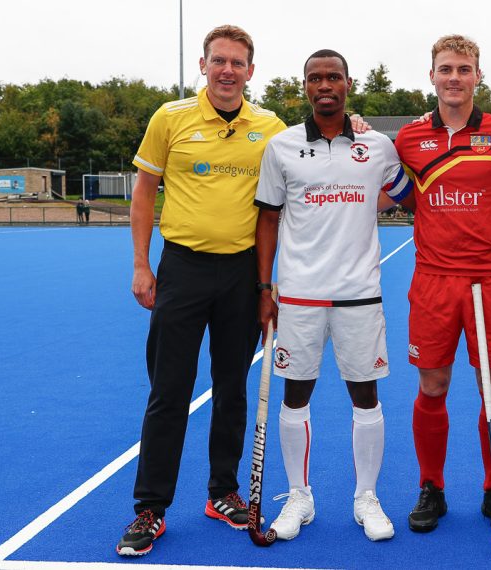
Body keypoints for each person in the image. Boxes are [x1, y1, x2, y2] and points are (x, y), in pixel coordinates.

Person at [116, 25, 288, 557]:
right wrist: (141, 264)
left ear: (251, 71)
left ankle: (223, 492)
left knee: (231, 389)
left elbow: (298, 176)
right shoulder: (170, 118)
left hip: (242, 274)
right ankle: (151, 507)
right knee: (169, 391)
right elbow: (144, 193)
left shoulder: (271, 127)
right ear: (203, 65)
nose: (227, 71)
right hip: (183, 269)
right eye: (219, 61)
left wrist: (356, 125)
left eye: (237, 63)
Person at [254, 50, 412, 543]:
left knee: (365, 396)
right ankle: (298, 495)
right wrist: (265, 288)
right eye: (315, 78)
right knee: (295, 394)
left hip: (359, 295)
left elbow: (410, 195)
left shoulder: (377, 145)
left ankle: (366, 497)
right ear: (304, 86)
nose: (325, 85)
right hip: (300, 296)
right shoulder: (281, 146)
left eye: (334, 77)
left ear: (348, 83)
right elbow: (268, 219)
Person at [394, 35, 491, 536]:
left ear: (478, 76)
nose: (455, 77)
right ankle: (432, 487)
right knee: (432, 387)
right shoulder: (408, 138)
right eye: (446, 69)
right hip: (433, 281)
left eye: (464, 69)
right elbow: (393, 188)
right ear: (431, 75)